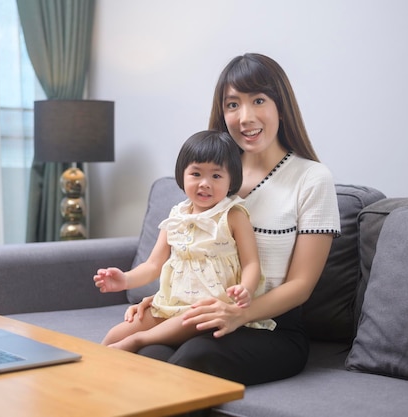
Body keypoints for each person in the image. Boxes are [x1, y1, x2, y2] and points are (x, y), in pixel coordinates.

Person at [128, 53, 341, 386]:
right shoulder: (215, 174)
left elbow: (301, 286)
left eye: (258, 100)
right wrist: (167, 298)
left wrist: (239, 313)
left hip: (271, 328)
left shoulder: (312, 178)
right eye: (232, 105)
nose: (245, 117)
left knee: (193, 358)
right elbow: (186, 252)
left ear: (280, 107)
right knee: (146, 357)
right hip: (199, 315)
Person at [94, 130, 276, 353]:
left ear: (231, 181)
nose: (205, 184)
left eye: (216, 176)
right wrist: (124, 280)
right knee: (116, 334)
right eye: (196, 174)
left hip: (209, 307)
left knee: (145, 335)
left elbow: (251, 263)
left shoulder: (233, 215)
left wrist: (245, 288)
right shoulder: (176, 216)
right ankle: (90, 373)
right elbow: (152, 265)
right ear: (182, 176)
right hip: (171, 302)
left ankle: (139, 341)